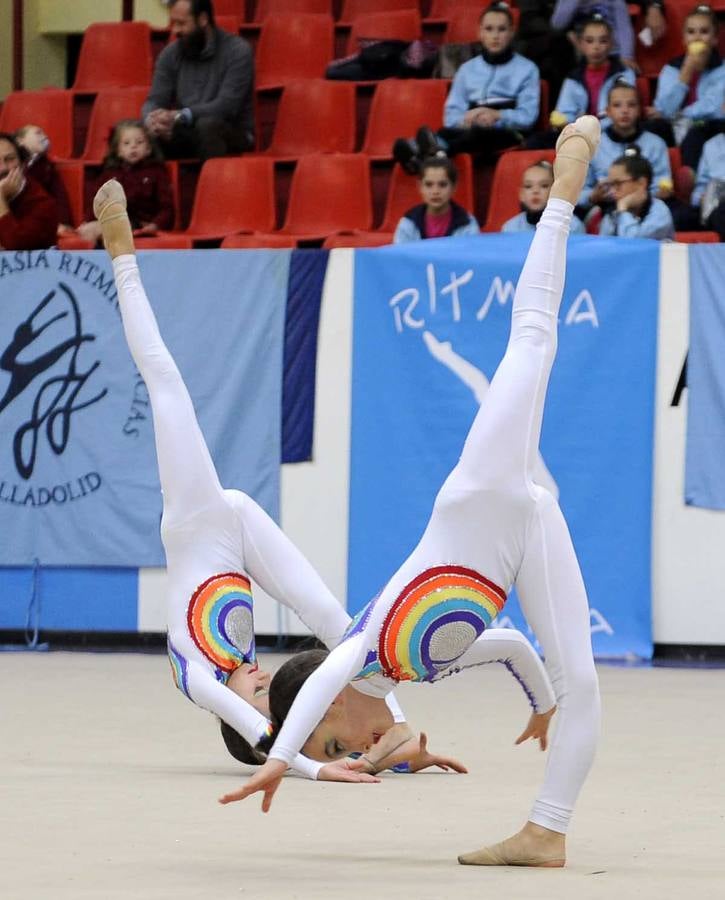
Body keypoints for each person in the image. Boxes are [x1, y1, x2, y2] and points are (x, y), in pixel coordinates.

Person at [219, 117, 604, 871]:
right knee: (580, 684)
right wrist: (538, 702)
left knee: (530, 340)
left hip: (481, 492)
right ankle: (545, 833)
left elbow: (325, 675)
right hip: (525, 526)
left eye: (339, 741)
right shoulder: (415, 669)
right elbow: (506, 643)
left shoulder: (362, 651)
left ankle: (561, 190)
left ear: (327, 709)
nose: (364, 750)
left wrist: (284, 760)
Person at [91, 177, 526, 784]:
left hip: (196, 519)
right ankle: (391, 730)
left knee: (166, 383)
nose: (266, 686)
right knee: (335, 618)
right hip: (237, 531)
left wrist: (311, 773)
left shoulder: (196, 678)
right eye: (274, 700)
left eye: (259, 704)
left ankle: (122, 257)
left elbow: (262, 740)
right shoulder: (241, 663)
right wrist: (351, 757)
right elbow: (290, 721)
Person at [393, 2, 540, 173]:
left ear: (512, 33)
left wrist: (497, 115)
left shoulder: (527, 69)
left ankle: (432, 153)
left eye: (502, 29)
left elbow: (528, 117)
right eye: (489, 29)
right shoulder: (467, 70)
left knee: (480, 133)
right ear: (480, 33)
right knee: (447, 130)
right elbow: (451, 117)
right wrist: (468, 118)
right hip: (469, 127)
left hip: (507, 131)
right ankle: (432, 149)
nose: (495, 36)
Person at [142, 0, 254, 160]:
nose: (175, 30)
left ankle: (215, 183)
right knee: (132, 133)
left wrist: (179, 116)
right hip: (188, 130)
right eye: (173, 23)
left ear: (203, 19)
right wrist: (152, 120)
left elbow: (227, 106)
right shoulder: (170, 54)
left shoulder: (238, 51)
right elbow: (154, 100)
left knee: (207, 126)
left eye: (181, 23)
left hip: (232, 131)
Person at [645, 4, 725, 169]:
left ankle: (689, 179)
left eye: (704, 32)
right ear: (683, 38)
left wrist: (682, 114)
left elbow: (715, 107)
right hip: (675, 127)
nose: (697, 37)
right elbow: (664, 110)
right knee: (651, 127)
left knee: (699, 129)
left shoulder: (722, 70)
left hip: (707, 128)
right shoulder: (671, 68)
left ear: (715, 38)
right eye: (691, 32)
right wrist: (685, 74)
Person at [77, 120, 174, 245]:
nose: (133, 146)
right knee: (89, 231)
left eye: (139, 142)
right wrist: (88, 220)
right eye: (126, 143)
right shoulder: (110, 173)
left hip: (140, 222)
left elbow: (167, 207)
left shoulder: (156, 172)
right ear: (118, 151)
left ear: (149, 149)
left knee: (100, 229)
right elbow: (97, 200)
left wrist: (156, 225)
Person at [580, 79, 671, 207]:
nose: (625, 110)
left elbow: (662, 184)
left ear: (639, 110)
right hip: (605, 205)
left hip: (647, 205)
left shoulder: (656, 144)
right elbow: (579, 191)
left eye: (631, 105)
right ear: (608, 111)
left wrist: (648, 196)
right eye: (617, 105)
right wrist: (592, 196)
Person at [546, 14, 636, 136]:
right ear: (580, 44)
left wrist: (591, 126)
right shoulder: (573, 78)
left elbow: (626, 112)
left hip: (613, 133)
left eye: (603, 41)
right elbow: (564, 114)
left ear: (611, 44)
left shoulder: (624, 73)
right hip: (579, 136)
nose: (596, 47)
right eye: (589, 41)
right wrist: (572, 124)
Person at [394, 157, 480, 243]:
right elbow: (399, 255)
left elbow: (470, 255)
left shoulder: (467, 223)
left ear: (454, 187)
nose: (435, 191)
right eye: (429, 185)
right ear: (420, 187)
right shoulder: (408, 223)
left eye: (442, 185)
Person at [0, 132, 58, 251]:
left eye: (10, 159)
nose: (3, 168)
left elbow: (14, 246)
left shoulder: (42, 204)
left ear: (22, 164)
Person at [598, 150, 675, 238]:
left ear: (641, 183)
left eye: (618, 183)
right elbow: (604, 247)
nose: (612, 191)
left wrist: (623, 209)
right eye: (611, 184)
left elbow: (634, 245)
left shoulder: (660, 212)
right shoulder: (612, 213)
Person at [15, 124, 74, 236]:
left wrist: (63, 222)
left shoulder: (47, 168)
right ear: (20, 141)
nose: (45, 136)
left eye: (45, 134)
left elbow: (60, 197)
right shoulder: (10, 166)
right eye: (38, 133)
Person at [502, 159, 586, 232]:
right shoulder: (510, 228)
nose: (535, 191)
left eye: (544, 186)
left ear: (555, 191)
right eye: (528, 186)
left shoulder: (572, 227)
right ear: (521, 194)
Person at [551, 0, 636, 67]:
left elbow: (624, 28)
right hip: (586, 55)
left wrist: (626, 56)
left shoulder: (614, 1)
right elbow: (557, 24)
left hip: (614, 53)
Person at [689, 131, 725, 239]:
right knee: (682, 218)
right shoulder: (711, 145)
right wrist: (700, 198)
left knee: (720, 215)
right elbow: (701, 184)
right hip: (715, 201)